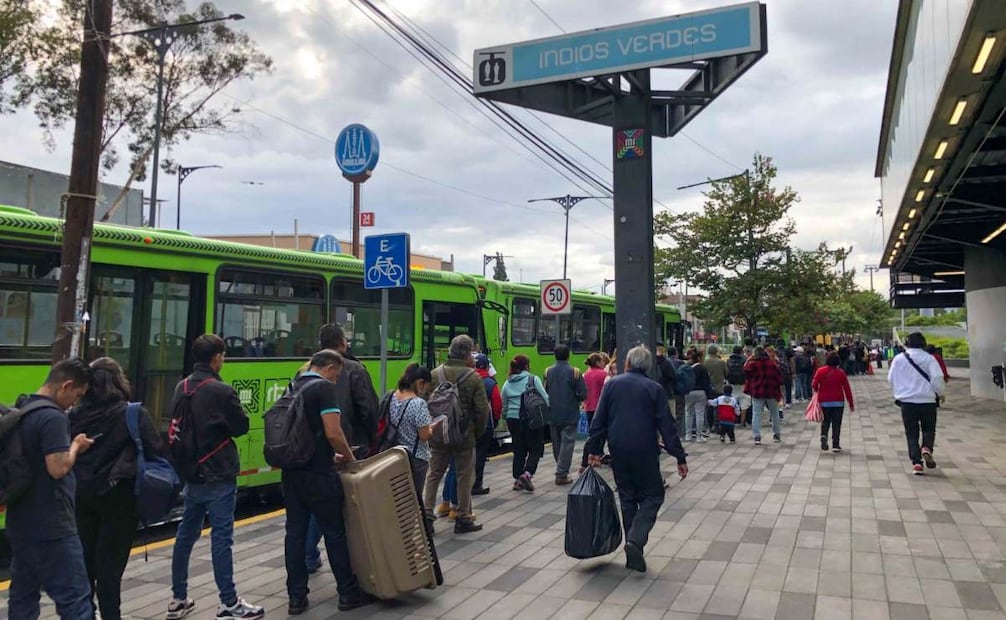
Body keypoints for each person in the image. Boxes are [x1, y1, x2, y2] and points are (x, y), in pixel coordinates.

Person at [167, 334, 262, 620]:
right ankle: (229, 602)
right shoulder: (221, 391)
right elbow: (241, 427)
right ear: (217, 357)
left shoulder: (182, 386)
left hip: (192, 473)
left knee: (185, 535)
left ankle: (178, 597)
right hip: (219, 473)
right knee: (221, 538)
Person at [279, 349, 374, 615]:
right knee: (334, 532)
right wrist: (349, 457)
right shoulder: (323, 389)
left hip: (292, 472)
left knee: (294, 535)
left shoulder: (293, 385)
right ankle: (347, 593)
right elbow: (333, 432)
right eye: (337, 375)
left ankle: (296, 598)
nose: (336, 380)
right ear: (330, 368)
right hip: (319, 474)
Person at [71, 358, 165, 620]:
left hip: (81, 496)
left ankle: (84, 614)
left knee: (85, 565)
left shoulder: (74, 415)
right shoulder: (132, 413)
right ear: (119, 382)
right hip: (119, 498)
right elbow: (156, 449)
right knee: (110, 572)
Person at [586, 345, 688, 573]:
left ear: (627, 363)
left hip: (618, 450)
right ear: (647, 367)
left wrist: (593, 450)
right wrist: (679, 456)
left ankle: (634, 550)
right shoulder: (654, 388)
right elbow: (667, 425)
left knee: (628, 497)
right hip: (645, 450)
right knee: (653, 494)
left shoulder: (612, 385)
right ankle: (635, 540)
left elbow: (599, 420)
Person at [6, 359, 95, 620]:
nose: (74, 403)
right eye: (76, 395)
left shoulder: (23, 408)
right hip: (52, 525)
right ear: (65, 385)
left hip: (20, 521)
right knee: (75, 600)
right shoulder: (53, 417)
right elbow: (57, 467)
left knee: (22, 597)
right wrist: (76, 446)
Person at [304, 323, 379, 570]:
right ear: (343, 343)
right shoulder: (354, 369)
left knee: (317, 501)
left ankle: (308, 554)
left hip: (314, 448)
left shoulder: (305, 369)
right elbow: (368, 409)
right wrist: (372, 439)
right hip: (349, 444)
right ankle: (351, 562)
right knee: (340, 503)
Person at [423, 335, 490, 533]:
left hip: (438, 432)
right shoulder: (473, 377)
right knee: (464, 475)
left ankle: (427, 515)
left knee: (434, 473)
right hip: (464, 435)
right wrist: (476, 432)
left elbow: (424, 402)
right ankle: (463, 517)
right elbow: (481, 411)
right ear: (468, 354)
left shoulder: (434, 374)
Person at [889, 332, 946, 475]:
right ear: (923, 343)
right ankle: (926, 448)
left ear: (906, 343)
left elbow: (891, 378)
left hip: (907, 402)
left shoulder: (898, 359)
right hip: (927, 401)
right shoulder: (929, 358)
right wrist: (940, 393)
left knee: (911, 433)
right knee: (929, 429)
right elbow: (937, 377)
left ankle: (916, 463)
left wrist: (900, 391)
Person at [500, 354, 549, 491]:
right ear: (527, 366)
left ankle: (517, 480)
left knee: (519, 450)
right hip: (530, 418)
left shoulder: (507, 383)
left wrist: (505, 416)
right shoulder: (532, 379)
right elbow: (545, 397)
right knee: (536, 448)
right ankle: (527, 474)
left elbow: (504, 403)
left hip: (512, 420)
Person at [389, 364, 437, 497]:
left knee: (399, 497)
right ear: (420, 382)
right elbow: (424, 435)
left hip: (394, 455)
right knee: (414, 497)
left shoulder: (392, 396)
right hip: (415, 458)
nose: (425, 391)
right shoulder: (418, 403)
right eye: (426, 387)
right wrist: (432, 426)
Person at [543, 345, 587, 486]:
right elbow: (583, 394)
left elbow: (545, 391)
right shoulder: (575, 372)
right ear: (568, 355)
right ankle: (561, 474)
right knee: (567, 444)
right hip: (570, 413)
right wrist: (575, 398)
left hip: (553, 413)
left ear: (555, 355)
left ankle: (561, 467)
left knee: (557, 444)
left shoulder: (548, 372)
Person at [811, 352, 855, 453]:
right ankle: (835, 444)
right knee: (836, 423)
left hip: (824, 401)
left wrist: (818, 390)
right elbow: (847, 389)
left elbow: (814, 385)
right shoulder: (841, 373)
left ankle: (823, 436)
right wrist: (851, 403)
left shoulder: (820, 371)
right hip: (838, 402)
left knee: (825, 421)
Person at [472, 354, 502, 495]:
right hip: (485, 424)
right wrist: (494, 421)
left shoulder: (466, 379)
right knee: (480, 454)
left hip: (467, 424)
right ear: (487, 367)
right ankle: (476, 484)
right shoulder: (490, 383)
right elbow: (497, 404)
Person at [744, 346, 783, 445]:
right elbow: (779, 379)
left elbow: (746, 371)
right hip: (772, 392)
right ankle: (776, 435)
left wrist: (749, 358)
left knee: (756, 414)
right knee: (774, 413)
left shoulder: (753, 364)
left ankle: (757, 436)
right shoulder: (772, 364)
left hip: (758, 391)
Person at [579, 352, 608, 474]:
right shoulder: (603, 374)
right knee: (601, 434)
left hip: (589, 407)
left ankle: (589, 459)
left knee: (592, 433)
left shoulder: (586, 374)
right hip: (600, 408)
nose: (603, 363)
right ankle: (593, 457)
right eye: (601, 361)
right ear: (597, 362)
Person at [683, 349, 713, 441]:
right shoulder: (702, 369)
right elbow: (707, 383)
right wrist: (709, 396)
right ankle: (699, 436)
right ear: (699, 358)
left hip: (689, 392)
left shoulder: (689, 368)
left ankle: (688, 435)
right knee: (699, 413)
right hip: (701, 392)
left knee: (688, 413)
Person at [725, 346, 751, 427]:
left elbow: (726, 373)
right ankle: (742, 422)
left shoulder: (728, 360)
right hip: (743, 384)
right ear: (741, 352)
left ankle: (732, 421)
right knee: (744, 404)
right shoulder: (745, 360)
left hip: (732, 384)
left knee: (732, 403)